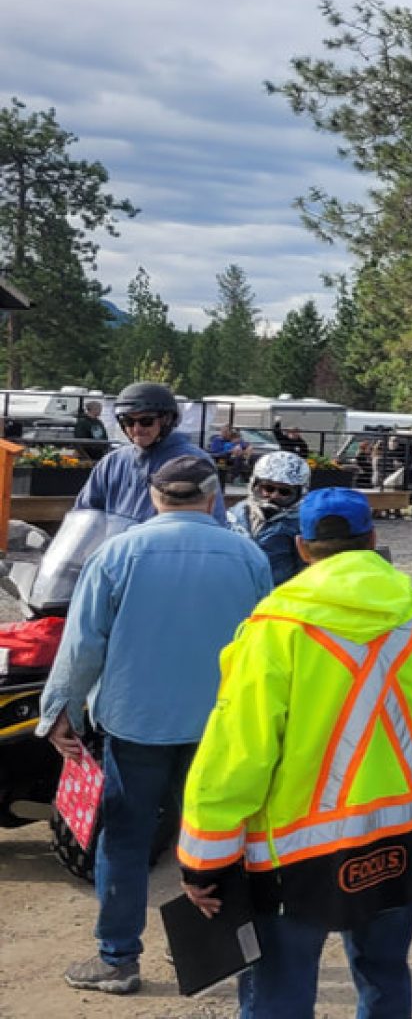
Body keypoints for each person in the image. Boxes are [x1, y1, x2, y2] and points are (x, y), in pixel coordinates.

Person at [177, 489, 412, 1018]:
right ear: (373, 541)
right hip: (396, 840)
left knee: (279, 995)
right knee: (385, 977)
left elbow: (238, 752)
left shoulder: (274, 628)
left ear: (303, 548)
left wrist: (204, 859)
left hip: (293, 857)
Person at [38, 455, 273, 995]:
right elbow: (266, 646)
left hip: (136, 723)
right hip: (221, 725)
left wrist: (59, 711)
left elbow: (82, 644)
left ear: (154, 498)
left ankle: (118, 960)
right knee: (220, 833)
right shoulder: (249, 556)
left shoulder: (117, 552)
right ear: (214, 497)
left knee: (124, 839)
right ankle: (228, 954)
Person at [75, 382, 227, 524]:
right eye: (128, 421)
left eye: (146, 421)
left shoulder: (195, 463)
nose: (136, 429)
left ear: (167, 420)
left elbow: (214, 521)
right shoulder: (112, 462)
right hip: (121, 550)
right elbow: (84, 516)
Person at [230, 451, 314, 585]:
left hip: (277, 595)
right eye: (268, 488)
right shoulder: (234, 514)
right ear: (255, 484)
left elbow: (305, 570)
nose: (274, 496)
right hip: (237, 589)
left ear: (299, 492)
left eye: (284, 491)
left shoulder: (301, 525)